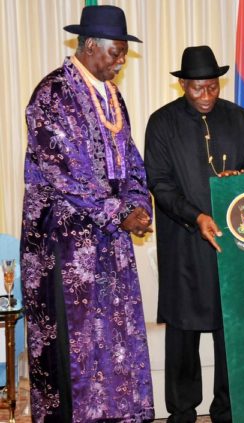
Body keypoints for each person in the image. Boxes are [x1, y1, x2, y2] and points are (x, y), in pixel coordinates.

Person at [20, 5, 154, 422]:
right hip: (64, 243)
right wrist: (118, 211)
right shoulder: (52, 94)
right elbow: (65, 172)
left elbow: (131, 159)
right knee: (74, 347)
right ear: (90, 45)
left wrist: (138, 204)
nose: (119, 62)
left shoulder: (112, 97)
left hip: (109, 239)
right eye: (115, 52)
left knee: (114, 339)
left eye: (123, 55)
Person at [144, 45, 244, 423]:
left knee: (231, 331)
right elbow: (160, 184)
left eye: (212, 87)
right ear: (183, 84)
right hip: (185, 243)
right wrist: (196, 216)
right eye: (197, 88)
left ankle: (227, 412)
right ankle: (181, 413)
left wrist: (243, 179)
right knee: (183, 334)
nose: (206, 96)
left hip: (232, 243)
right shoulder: (162, 122)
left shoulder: (238, 117)